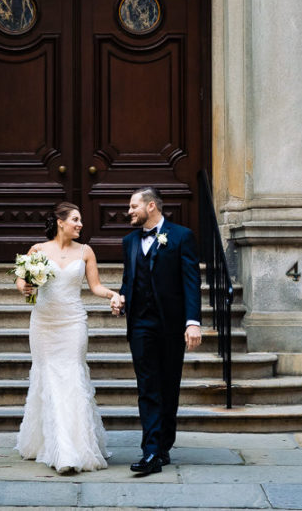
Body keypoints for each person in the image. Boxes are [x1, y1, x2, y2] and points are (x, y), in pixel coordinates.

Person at [14, 202, 122, 473]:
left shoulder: (86, 252)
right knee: (48, 377)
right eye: (75, 219)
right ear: (60, 222)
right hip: (43, 322)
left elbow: (95, 286)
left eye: (80, 220)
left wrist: (114, 295)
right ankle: (55, 447)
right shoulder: (37, 250)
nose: (80, 224)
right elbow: (22, 283)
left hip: (73, 323)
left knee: (72, 376)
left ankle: (72, 450)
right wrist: (25, 286)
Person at [111, 187, 201, 475]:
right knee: (147, 387)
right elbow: (130, 279)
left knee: (169, 386)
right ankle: (150, 450)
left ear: (151, 206)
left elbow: (190, 282)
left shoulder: (181, 236)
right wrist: (121, 298)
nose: (129, 211)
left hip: (172, 325)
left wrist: (192, 321)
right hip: (140, 325)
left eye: (133, 205)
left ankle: (163, 447)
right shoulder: (129, 241)